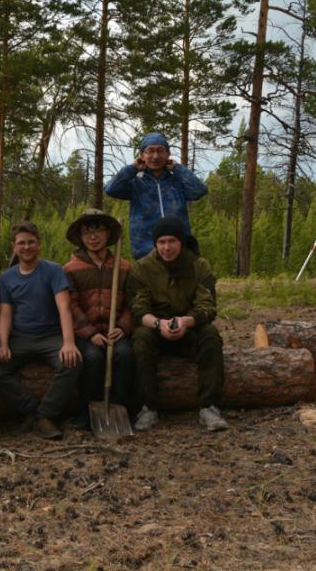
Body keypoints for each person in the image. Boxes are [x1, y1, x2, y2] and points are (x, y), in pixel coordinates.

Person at [0, 221, 81, 440]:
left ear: (39, 245)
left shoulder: (53, 270)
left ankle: (45, 416)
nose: (26, 247)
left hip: (51, 336)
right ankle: (30, 408)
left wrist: (68, 342)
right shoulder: (7, 277)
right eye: (21, 243)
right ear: (14, 247)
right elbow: (5, 314)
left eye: (31, 242)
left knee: (73, 362)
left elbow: (64, 307)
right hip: (21, 338)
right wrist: (3, 344)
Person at [128, 217, 228, 432]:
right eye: (161, 241)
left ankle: (208, 407)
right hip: (155, 329)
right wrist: (158, 324)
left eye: (172, 241)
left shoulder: (199, 266)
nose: (166, 247)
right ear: (155, 243)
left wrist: (186, 321)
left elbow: (207, 306)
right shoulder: (142, 268)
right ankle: (147, 407)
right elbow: (138, 310)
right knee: (140, 338)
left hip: (190, 328)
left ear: (181, 242)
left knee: (210, 334)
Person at [62, 209, 133, 430]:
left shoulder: (123, 267)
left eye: (98, 230)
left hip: (115, 330)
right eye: (87, 232)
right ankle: (86, 413)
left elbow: (134, 303)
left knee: (125, 355)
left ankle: (123, 410)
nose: (93, 237)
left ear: (108, 234)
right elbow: (70, 306)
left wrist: (123, 327)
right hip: (87, 333)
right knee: (92, 359)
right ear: (81, 237)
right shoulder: (70, 269)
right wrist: (90, 333)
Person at [104, 132, 208, 259]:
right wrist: (133, 168)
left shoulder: (177, 181)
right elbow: (111, 189)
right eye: (150, 151)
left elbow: (199, 191)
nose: (155, 156)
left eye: (160, 151)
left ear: (168, 154)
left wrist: (178, 168)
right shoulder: (135, 183)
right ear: (142, 155)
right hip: (145, 251)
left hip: (179, 249)